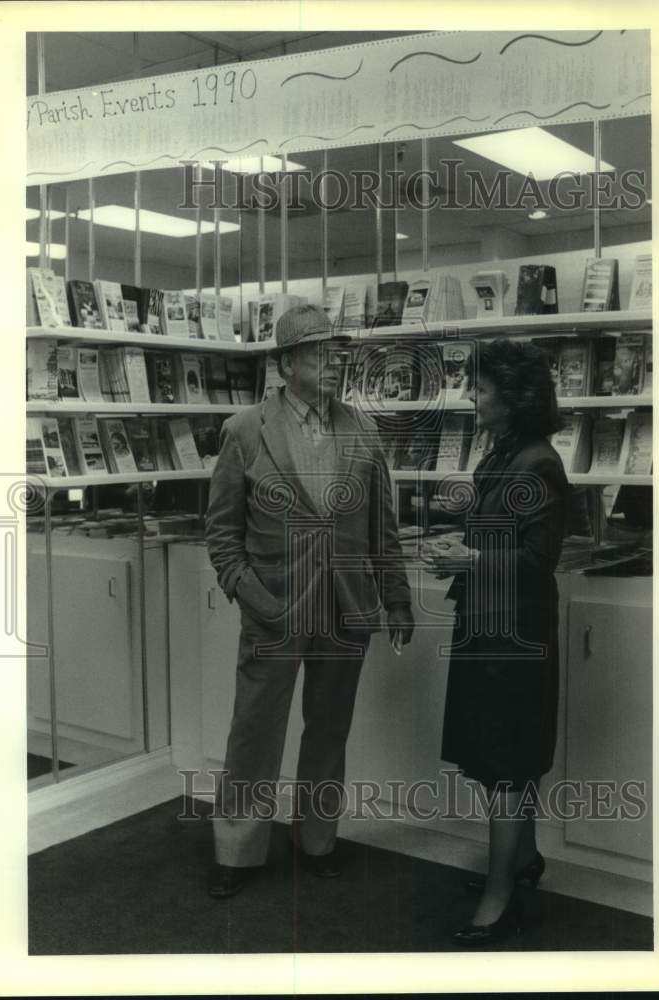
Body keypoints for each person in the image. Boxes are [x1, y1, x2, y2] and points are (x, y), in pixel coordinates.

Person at [204, 304, 415, 898]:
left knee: (329, 728)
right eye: (320, 353)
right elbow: (221, 533)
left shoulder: (364, 430)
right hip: (274, 606)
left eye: (339, 353)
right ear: (286, 362)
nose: (334, 363)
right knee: (254, 728)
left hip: (348, 606)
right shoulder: (246, 429)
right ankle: (237, 848)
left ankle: (316, 837)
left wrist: (395, 598)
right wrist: (250, 594)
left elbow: (382, 527)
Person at [424, 338, 567, 946]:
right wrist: (460, 556)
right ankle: (524, 859)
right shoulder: (505, 453)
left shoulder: (539, 462)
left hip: (516, 638)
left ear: (512, 397)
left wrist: (470, 557)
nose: (471, 398)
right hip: (490, 627)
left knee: (506, 764)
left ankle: (499, 896)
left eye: (479, 389)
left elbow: (539, 560)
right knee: (497, 758)